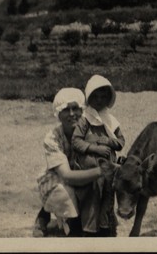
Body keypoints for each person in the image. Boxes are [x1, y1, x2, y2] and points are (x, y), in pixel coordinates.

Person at [33, 87, 115, 237]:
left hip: (84, 174)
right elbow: (66, 176)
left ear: (82, 109)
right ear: (58, 114)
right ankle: (45, 215)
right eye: (65, 110)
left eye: (75, 108)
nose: (71, 114)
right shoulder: (53, 138)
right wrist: (102, 171)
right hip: (61, 178)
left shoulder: (90, 131)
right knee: (64, 192)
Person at [72, 75, 125, 237]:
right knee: (92, 198)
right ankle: (89, 230)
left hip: (108, 168)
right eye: (95, 96)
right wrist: (95, 149)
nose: (99, 101)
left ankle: (105, 228)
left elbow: (121, 142)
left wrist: (109, 141)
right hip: (90, 170)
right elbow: (76, 141)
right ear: (89, 97)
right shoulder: (85, 119)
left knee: (108, 197)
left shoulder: (110, 119)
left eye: (103, 97)